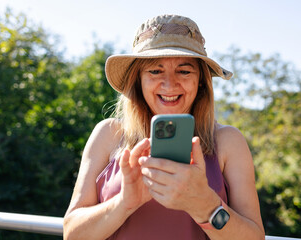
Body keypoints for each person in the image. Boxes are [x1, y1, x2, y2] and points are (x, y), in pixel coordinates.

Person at [63, 14, 265, 240]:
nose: (170, 84)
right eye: (155, 71)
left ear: (200, 80)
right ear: (138, 79)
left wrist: (206, 206)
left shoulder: (228, 141)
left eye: (184, 71)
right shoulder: (108, 134)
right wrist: (124, 204)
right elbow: (72, 235)